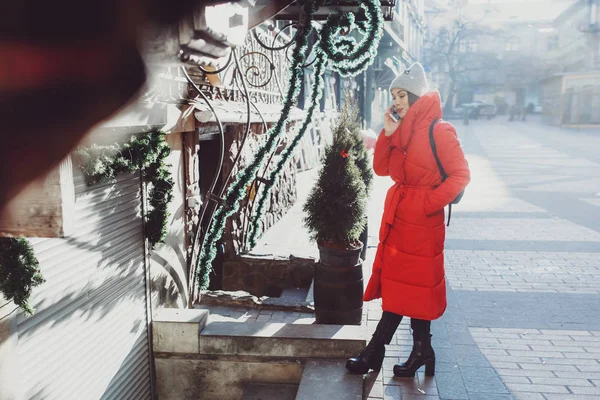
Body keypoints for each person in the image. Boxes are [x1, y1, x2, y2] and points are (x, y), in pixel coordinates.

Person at [346, 63, 470, 377]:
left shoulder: (440, 130)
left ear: (416, 95)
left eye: (402, 95)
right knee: (410, 288)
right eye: (394, 95)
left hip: (422, 224)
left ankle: (375, 351)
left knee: (407, 289)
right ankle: (421, 350)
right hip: (400, 219)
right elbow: (382, 169)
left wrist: (426, 203)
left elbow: (460, 175)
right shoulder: (404, 127)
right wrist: (388, 133)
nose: (397, 101)